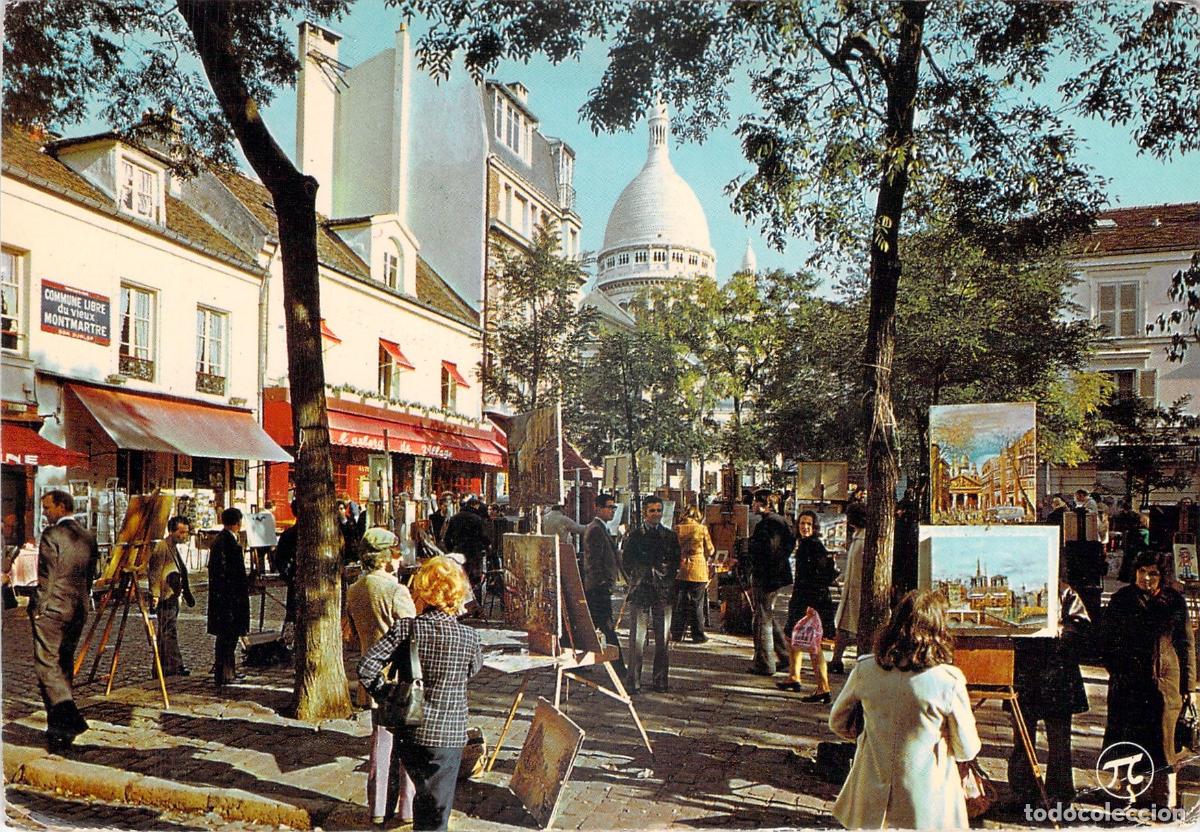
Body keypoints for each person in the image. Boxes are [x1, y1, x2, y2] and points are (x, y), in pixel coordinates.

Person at [829, 590, 982, 829]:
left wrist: (870, 738)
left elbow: (838, 722)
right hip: (928, 798)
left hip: (871, 788)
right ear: (939, 630)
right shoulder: (948, 681)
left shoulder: (866, 669)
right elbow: (967, 748)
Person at [358, 556, 483, 831]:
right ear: (458, 592)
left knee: (424, 800)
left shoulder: (407, 628)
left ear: (423, 589)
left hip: (411, 731)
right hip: (448, 735)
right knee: (437, 812)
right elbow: (472, 671)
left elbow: (367, 667)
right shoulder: (469, 638)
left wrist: (388, 694)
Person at [1100, 550, 1196, 807]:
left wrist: (1189, 686)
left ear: (1161, 576)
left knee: (1165, 744)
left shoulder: (1174, 601)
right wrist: (1118, 671)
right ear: (1134, 573)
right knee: (1126, 741)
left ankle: (1165, 801)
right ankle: (1126, 795)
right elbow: (1106, 641)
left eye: (1153, 573)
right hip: (1129, 685)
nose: (1147, 578)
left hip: (1164, 683)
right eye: (1142, 572)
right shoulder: (1122, 600)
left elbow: (1186, 645)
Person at [346, 528, 418, 827]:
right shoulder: (394, 590)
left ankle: (376, 806)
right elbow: (413, 633)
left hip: (372, 676)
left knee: (380, 742)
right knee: (409, 746)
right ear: (388, 558)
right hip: (399, 678)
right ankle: (407, 809)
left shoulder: (355, 588)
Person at [1008, 584, 1090, 802]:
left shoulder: (1064, 591)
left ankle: (1060, 794)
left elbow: (1081, 625)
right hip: (1024, 674)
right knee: (1023, 740)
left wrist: (1061, 632)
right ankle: (1023, 793)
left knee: (1059, 742)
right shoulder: (1015, 589)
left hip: (1057, 675)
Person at [32, 489, 99, 752]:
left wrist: (38, 608)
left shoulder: (52, 535)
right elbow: (90, 575)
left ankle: (68, 718)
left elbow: (46, 578)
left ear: (61, 506)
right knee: (64, 664)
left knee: (46, 665)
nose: (45, 513)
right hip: (77, 609)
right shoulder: (88, 535)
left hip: (53, 610)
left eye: (48, 508)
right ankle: (58, 729)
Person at [622, 495, 681, 693]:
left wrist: (665, 578)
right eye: (652, 511)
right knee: (637, 639)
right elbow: (626, 561)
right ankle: (633, 682)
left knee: (662, 638)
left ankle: (660, 681)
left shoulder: (670, 536)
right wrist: (637, 577)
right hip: (641, 590)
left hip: (663, 592)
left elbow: (675, 561)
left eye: (658, 510)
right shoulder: (635, 535)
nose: (656, 514)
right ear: (645, 513)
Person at [778, 510, 836, 701]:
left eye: (809, 524)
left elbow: (819, 577)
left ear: (815, 527)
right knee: (792, 636)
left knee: (813, 646)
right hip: (802, 598)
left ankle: (823, 687)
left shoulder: (813, 546)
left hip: (811, 601)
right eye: (802, 523)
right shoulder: (804, 544)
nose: (805, 527)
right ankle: (794, 676)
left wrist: (811, 606)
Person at [746, 489, 794, 676]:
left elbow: (767, 550)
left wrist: (750, 549)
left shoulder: (768, 524)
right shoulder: (780, 521)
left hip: (766, 576)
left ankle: (765, 663)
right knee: (767, 616)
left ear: (763, 504)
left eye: (755, 502)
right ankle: (785, 656)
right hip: (775, 575)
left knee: (762, 619)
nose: (752, 505)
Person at [148, 515, 195, 676]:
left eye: (186, 532)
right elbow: (154, 572)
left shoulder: (173, 547)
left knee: (166, 633)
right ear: (172, 531)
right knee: (168, 632)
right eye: (181, 532)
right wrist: (155, 594)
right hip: (165, 596)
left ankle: (160, 669)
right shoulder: (162, 546)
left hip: (173, 595)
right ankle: (175, 666)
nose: (184, 536)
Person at [207, 507, 249, 687]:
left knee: (227, 637)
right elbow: (230, 574)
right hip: (229, 599)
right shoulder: (228, 543)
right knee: (227, 637)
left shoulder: (221, 540)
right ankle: (225, 673)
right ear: (238, 523)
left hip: (224, 598)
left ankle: (227, 671)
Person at [581, 494, 624, 667]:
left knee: (591, 627)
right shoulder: (596, 529)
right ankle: (620, 668)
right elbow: (594, 561)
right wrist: (603, 583)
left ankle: (581, 662)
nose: (612, 510)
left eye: (614, 507)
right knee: (606, 627)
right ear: (598, 508)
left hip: (597, 587)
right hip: (597, 588)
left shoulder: (600, 527)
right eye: (609, 507)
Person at [829, 501, 867, 674]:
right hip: (852, 590)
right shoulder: (860, 537)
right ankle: (837, 660)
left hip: (857, 591)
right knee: (844, 627)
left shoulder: (863, 539)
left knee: (853, 628)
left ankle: (858, 662)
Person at [670, 505, 714, 644]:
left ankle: (676, 633)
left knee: (680, 602)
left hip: (681, 567)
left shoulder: (677, 529)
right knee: (696, 602)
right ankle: (698, 634)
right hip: (698, 569)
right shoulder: (701, 529)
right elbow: (710, 550)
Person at [441, 496, 489, 588]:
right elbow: (482, 536)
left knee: (459, 577)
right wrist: (487, 545)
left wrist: (451, 550)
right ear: (474, 506)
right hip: (474, 552)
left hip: (459, 551)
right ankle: (474, 600)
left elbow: (447, 537)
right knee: (473, 581)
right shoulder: (477, 518)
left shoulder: (454, 518)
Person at [274, 500, 299, 625]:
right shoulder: (289, 535)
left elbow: (279, 560)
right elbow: (279, 559)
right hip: (296, 583)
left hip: (294, 582)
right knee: (292, 618)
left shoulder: (287, 534)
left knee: (292, 618)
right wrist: (290, 576)